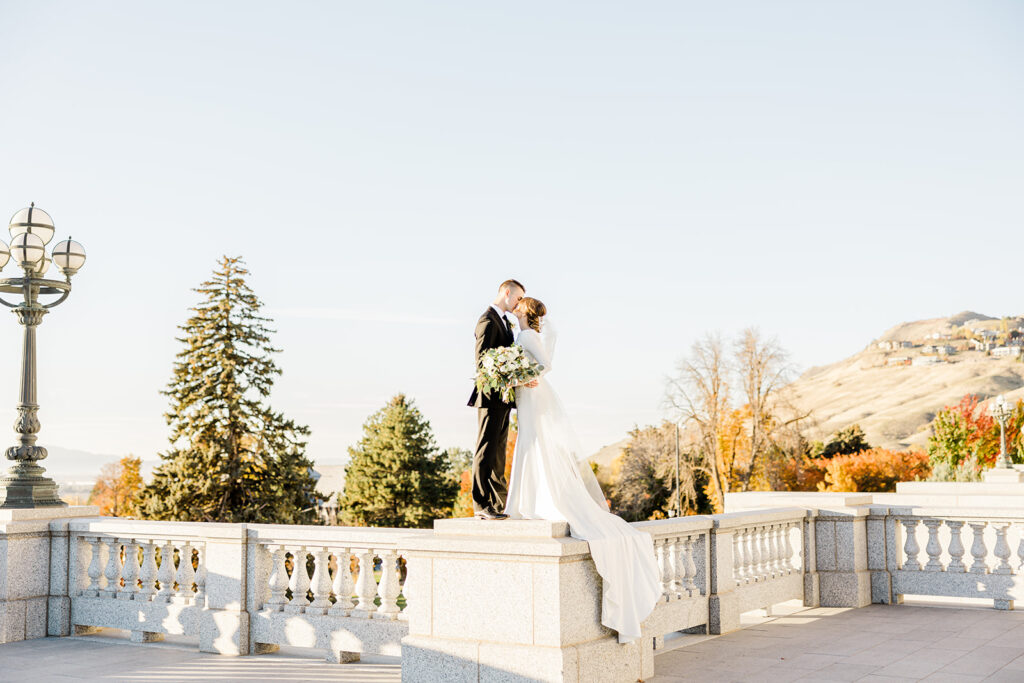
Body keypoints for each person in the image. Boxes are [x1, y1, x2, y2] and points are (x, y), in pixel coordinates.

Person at [504, 296, 661, 643]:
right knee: (531, 442)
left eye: (518, 305)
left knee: (533, 442)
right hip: (530, 394)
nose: (514, 307)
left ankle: (533, 500)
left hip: (533, 392)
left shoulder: (527, 336)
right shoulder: (526, 333)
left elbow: (544, 364)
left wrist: (525, 376)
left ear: (525, 312)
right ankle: (526, 499)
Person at [467, 279, 537, 520]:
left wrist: (520, 378)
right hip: (489, 396)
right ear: (507, 293)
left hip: (504, 397)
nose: (519, 304)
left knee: (498, 452)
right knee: (485, 449)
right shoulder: (487, 320)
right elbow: (483, 362)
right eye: (517, 298)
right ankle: (481, 505)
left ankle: (497, 503)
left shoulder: (505, 322)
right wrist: (515, 378)